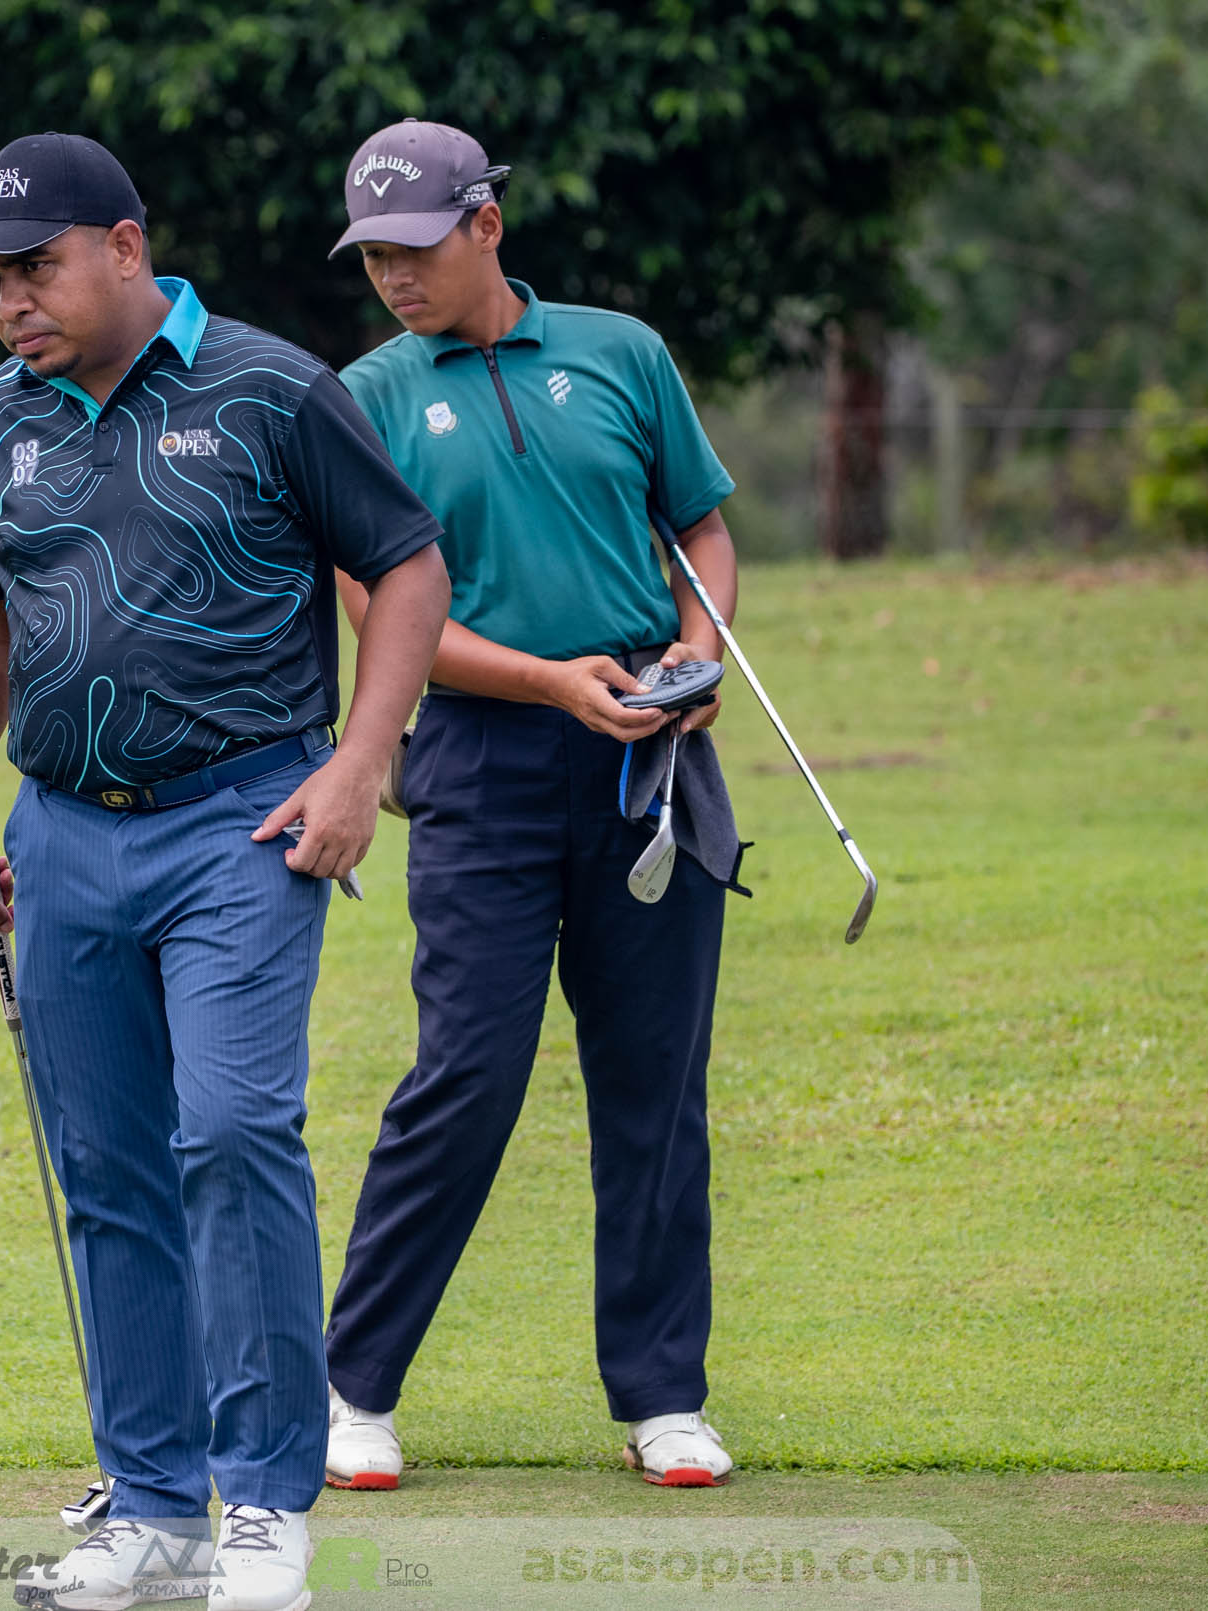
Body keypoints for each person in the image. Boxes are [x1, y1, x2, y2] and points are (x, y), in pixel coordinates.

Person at [0, 131, 449, 1610]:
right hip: (62, 834)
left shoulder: (273, 390)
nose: (10, 303)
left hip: (243, 824)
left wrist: (360, 765)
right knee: (106, 1168)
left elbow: (408, 566)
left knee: (231, 1131)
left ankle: (266, 1502)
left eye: (35, 268)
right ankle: (151, 1513)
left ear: (126, 248)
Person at [316, 119, 749, 1492]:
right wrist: (551, 684)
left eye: (416, 247)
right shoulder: (366, 396)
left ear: (487, 225)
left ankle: (664, 1398)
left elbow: (701, 529)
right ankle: (352, 1388)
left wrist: (699, 653)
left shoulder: (621, 353)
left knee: (653, 1081)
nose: (394, 276)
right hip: (477, 761)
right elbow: (382, 614)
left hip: (647, 759)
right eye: (373, 256)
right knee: (467, 1075)